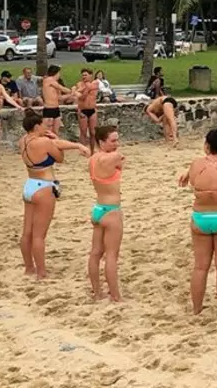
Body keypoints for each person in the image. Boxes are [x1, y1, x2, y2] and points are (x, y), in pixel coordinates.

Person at [177, 127, 217, 315]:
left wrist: (188, 173)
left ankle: (197, 309)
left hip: (201, 217)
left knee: (199, 267)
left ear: (206, 145)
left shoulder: (196, 164)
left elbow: (194, 175)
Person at [19, 111, 89, 279]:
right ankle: (41, 272)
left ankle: (29, 267)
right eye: (43, 124)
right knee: (39, 235)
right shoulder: (43, 142)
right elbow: (59, 156)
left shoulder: (23, 140)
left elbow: (56, 143)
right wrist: (58, 139)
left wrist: (58, 140)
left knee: (27, 232)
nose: (46, 126)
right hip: (44, 187)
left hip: (29, 184)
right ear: (37, 126)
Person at [88, 125, 124, 302]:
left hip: (98, 208)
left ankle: (97, 292)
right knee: (111, 255)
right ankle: (115, 295)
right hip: (111, 210)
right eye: (113, 140)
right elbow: (120, 161)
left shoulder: (93, 158)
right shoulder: (114, 157)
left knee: (95, 253)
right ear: (102, 142)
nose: (116, 144)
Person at [41, 65, 73, 136]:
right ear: (56, 73)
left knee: (56, 132)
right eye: (59, 73)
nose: (59, 75)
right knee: (47, 132)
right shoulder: (49, 80)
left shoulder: (55, 83)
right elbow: (63, 89)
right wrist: (73, 90)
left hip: (56, 109)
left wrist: (70, 95)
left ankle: (54, 145)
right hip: (48, 109)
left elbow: (59, 98)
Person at [74, 69, 100, 152]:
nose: (84, 77)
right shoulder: (79, 84)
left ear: (90, 75)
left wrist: (81, 90)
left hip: (92, 109)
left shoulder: (95, 83)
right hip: (83, 110)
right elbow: (82, 97)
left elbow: (79, 92)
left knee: (93, 132)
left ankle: (92, 150)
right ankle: (83, 150)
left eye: (86, 75)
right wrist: (86, 90)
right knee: (83, 132)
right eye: (83, 75)